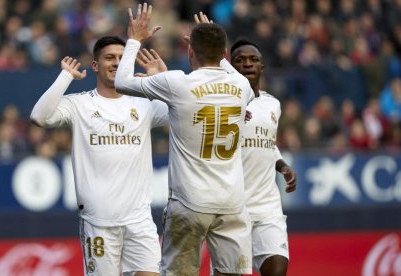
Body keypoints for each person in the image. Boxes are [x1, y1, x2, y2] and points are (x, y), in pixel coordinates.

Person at [114, 3, 254, 276]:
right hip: (232, 203)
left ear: (190, 51)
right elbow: (223, 76)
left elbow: (122, 81)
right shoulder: (242, 86)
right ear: (224, 54)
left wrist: (134, 40)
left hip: (189, 204)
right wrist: (212, 39)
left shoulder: (178, 83)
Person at [30, 35, 168, 276]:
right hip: (99, 222)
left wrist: (162, 79)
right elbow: (39, 117)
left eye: (122, 58)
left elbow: (183, 113)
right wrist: (66, 76)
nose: (116, 63)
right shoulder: (80, 105)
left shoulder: (144, 105)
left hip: (140, 220)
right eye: (109, 58)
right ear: (95, 65)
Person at [229, 38, 297, 276]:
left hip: (268, 205)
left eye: (253, 59)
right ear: (230, 65)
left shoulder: (272, 104)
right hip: (232, 207)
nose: (247, 64)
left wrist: (282, 165)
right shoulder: (221, 103)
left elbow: (268, 143)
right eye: (240, 60)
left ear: (262, 67)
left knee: (277, 270)